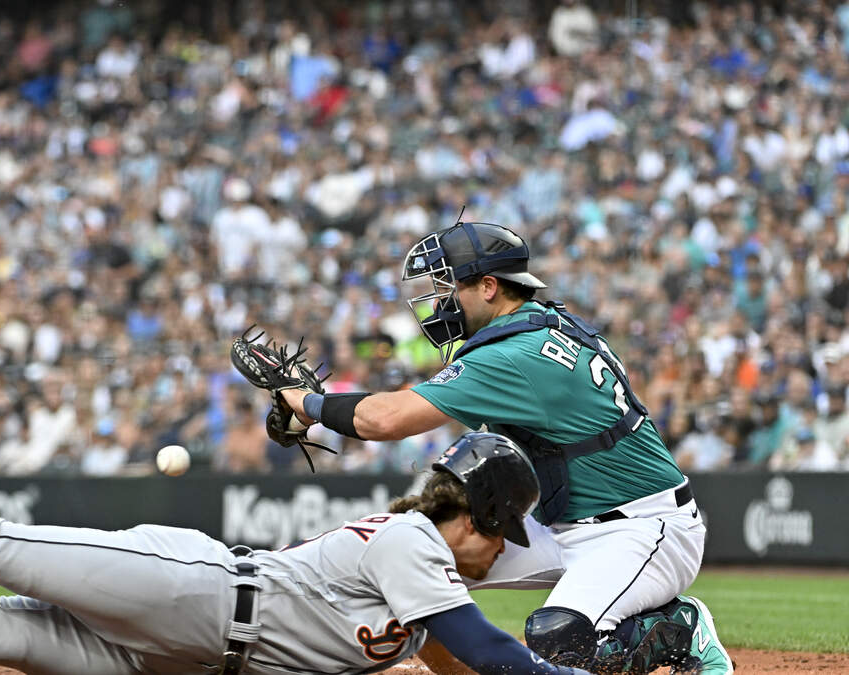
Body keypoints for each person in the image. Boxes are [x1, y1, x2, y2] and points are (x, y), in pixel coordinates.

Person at [0, 403, 590, 675]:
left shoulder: (425, 585)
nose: (499, 561)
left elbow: (454, 659)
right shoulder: (413, 546)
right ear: (476, 521)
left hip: (184, 658)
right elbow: (490, 655)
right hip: (192, 590)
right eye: (502, 542)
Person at [277, 221, 734, 673]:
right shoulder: (542, 327)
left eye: (449, 287)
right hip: (559, 523)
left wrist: (304, 402)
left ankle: (681, 628)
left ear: (490, 286)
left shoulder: (511, 355)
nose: (439, 304)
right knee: (411, 560)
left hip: (643, 527)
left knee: (560, 639)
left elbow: (384, 420)